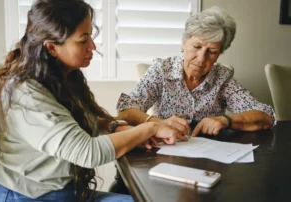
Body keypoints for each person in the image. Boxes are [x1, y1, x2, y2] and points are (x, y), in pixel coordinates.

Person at [0, 0, 187, 202]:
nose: (92, 46)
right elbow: (87, 152)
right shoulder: (25, 92)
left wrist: (117, 127)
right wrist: (149, 129)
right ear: (52, 47)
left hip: (66, 193)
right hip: (23, 196)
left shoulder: (63, 77)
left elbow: (83, 121)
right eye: (83, 39)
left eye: (91, 36)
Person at [116, 6, 276, 137]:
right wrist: (159, 122)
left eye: (212, 51)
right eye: (197, 47)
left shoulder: (222, 78)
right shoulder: (162, 71)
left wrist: (226, 120)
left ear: (219, 54)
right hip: (166, 151)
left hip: (210, 158)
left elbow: (265, 116)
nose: (201, 58)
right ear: (183, 43)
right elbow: (125, 111)